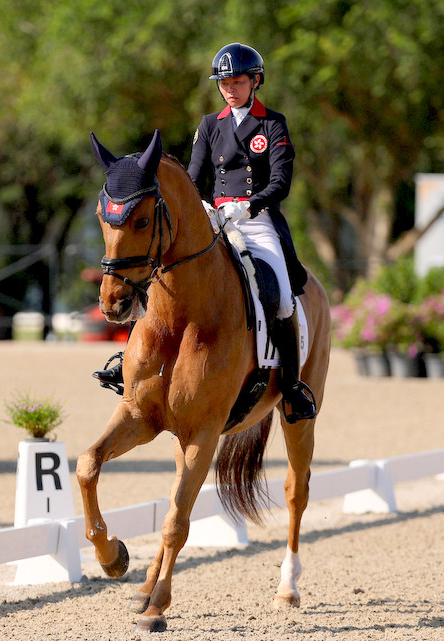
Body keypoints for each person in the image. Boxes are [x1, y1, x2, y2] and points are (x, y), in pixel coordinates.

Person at [94, 42, 316, 421]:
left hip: (257, 221)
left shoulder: (271, 123)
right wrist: (203, 208)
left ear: (255, 81)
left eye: (238, 81)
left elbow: (281, 181)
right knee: (160, 274)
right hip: (214, 217)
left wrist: (250, 204)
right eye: (224, 82)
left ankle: (292, 387)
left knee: (280, 297)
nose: (230, 88)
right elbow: (194, 178)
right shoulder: (209, 125)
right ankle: (127, 358)